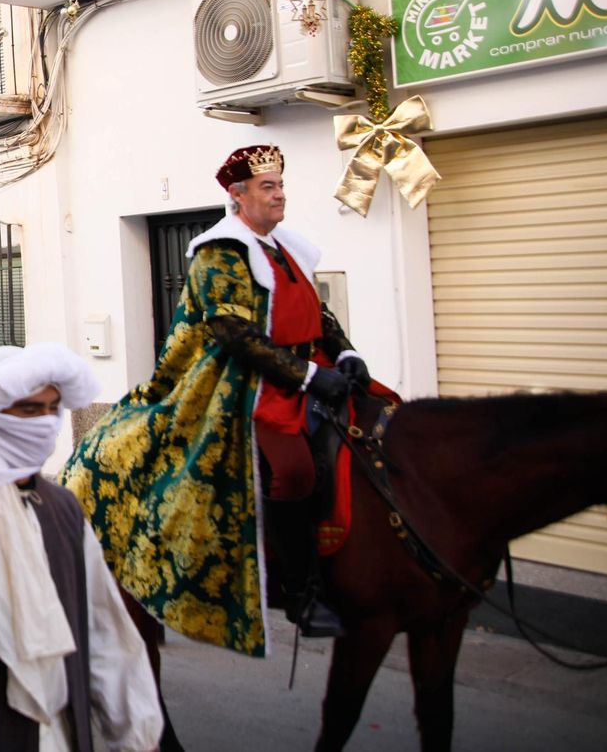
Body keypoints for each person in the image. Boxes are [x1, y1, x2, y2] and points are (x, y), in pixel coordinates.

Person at [65, 145, 386, 654]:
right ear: (237, 197)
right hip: (253, 385)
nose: (279, 195)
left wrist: (345, 355)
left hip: (308, 374)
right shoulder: (220, 252)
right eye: (268, 187)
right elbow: (234, 331)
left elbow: (317, 312)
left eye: (281, 185)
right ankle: (301, 592)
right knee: (294, 469)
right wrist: (306, 376)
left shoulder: (287, 249)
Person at [0, 343, 163, 752]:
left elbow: (105, 632)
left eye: (52, 409)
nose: (45, 423)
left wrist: (134, 735)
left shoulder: (62, 509)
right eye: (28, 409)